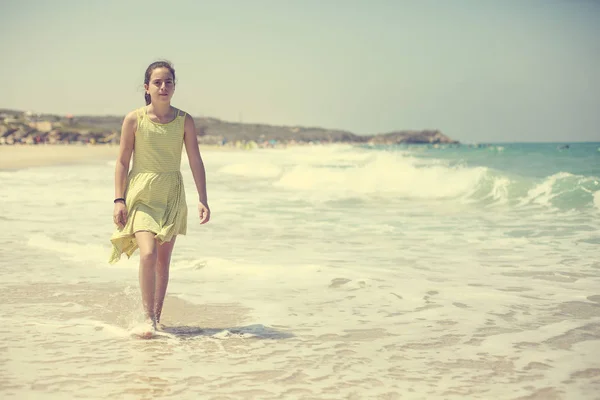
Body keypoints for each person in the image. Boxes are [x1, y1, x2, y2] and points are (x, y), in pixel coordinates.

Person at [109, 60, 210, 336]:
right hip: (141, 193)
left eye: (168, 82)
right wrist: (119, 199)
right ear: (147, 87)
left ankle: (155, 318)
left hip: (171, 193)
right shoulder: (134, 119)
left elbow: (195, 160)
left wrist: (203, 197)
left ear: (174, 87)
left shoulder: (183, 120)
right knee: (148, 254)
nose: (163, 87)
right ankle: (146, 316)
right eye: (157, 82)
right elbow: (121, 161)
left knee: (164, 261)